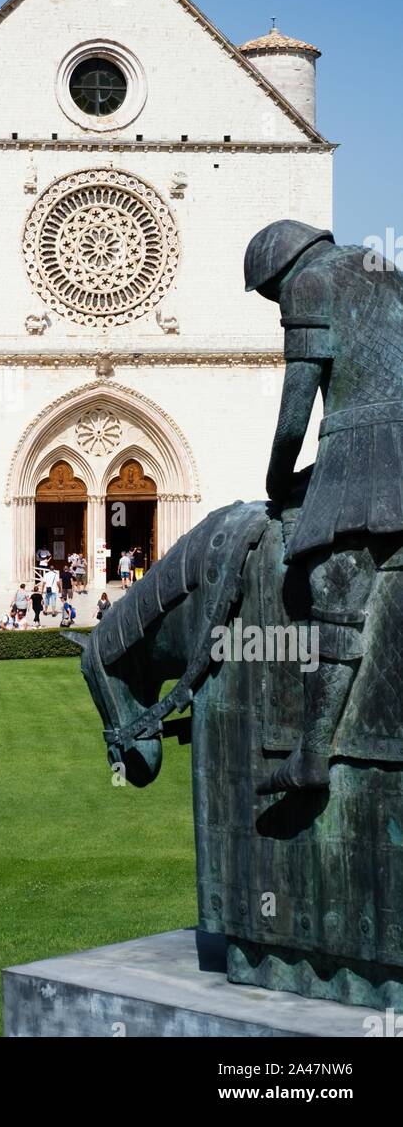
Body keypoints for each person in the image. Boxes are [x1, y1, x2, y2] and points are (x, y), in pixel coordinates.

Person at [244, 218, 403, 794]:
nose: (277, 304)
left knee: (334, 578)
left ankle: (312, 753)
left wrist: (276, 479)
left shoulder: (309, 284)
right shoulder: (379, 265)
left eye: (270, 296)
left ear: (280, 274)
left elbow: (294, 412)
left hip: (368, 447)